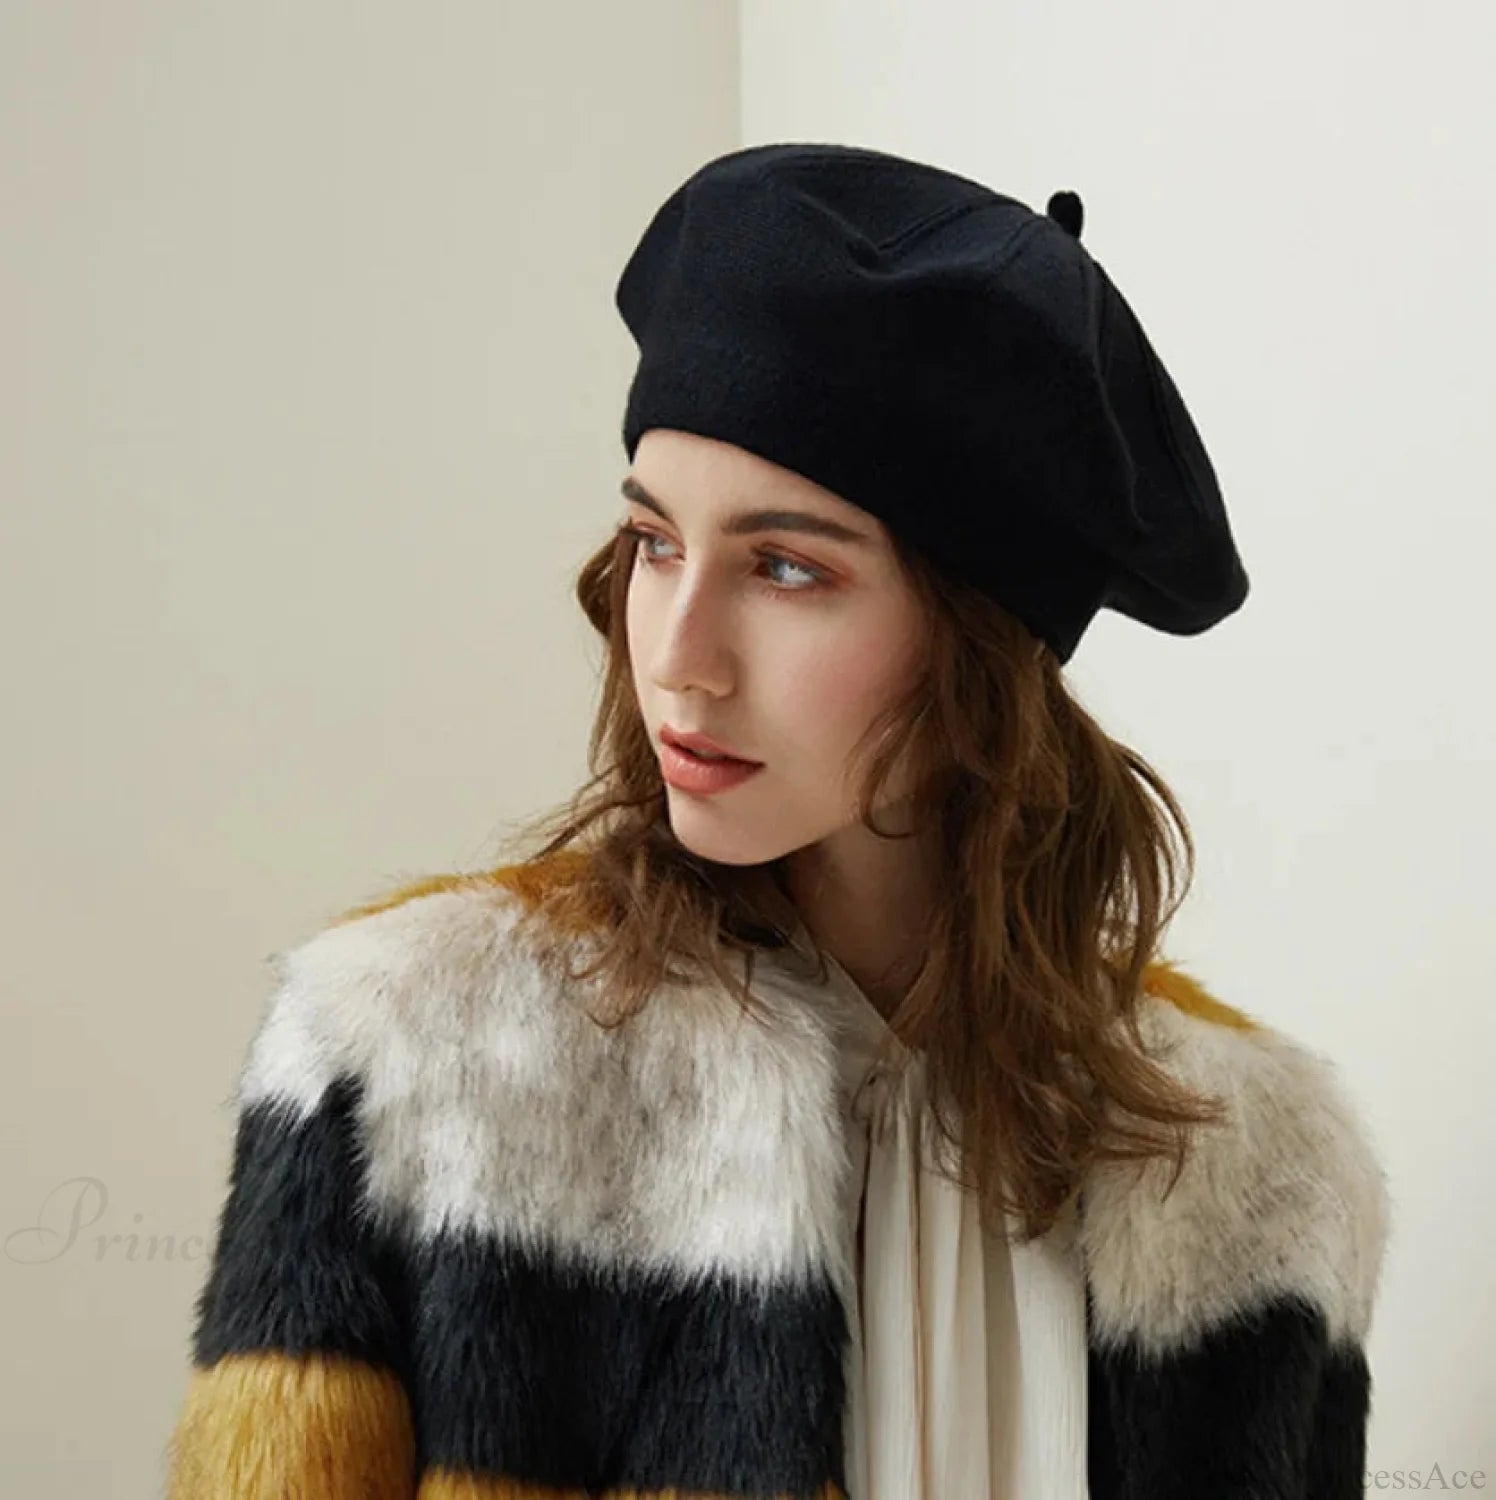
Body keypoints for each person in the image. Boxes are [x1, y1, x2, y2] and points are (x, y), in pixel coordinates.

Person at [162, 143, 1391, 1499]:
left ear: (981, 644)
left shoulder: (1256, 1173)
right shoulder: (409, 1056)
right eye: (655, 543)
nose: (677, 655)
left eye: (787, 567)